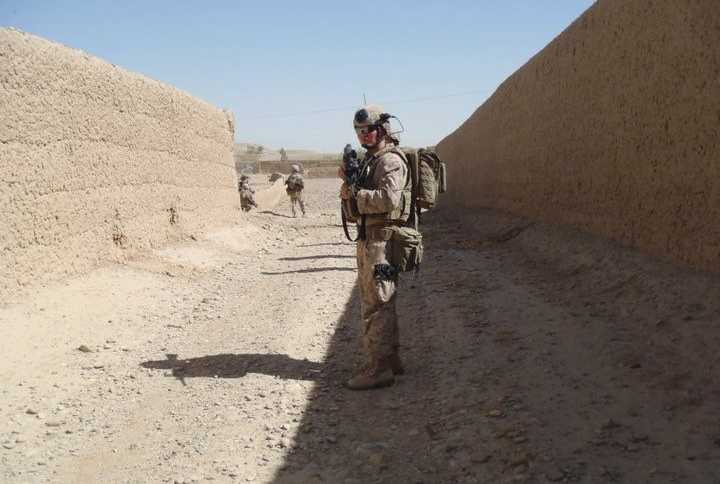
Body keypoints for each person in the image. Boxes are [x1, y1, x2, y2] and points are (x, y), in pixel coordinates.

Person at [339, 105, 410, 390]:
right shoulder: (372, 161)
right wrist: (349, 187)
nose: (363, 136)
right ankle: (390, 359)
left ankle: (379, 368)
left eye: (368, 130)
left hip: (383, 242)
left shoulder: (390, 161)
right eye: (359, 131)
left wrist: (356, 194)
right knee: (380, 300)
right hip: (371, 239)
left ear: (382, 128)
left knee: (377, 303)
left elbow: (388, 200)